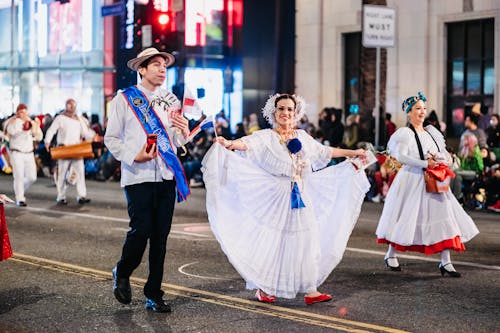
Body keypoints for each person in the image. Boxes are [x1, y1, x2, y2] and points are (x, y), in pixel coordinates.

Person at [202, 93, 370, 305]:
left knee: (307, 239)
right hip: (276, 195)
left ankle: (310, 289)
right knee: (274, 241)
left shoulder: (302, 136)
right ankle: (264, 287)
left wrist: (352, 152)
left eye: (290, 109)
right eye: (281, 109)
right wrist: (229, 143)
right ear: (274, 112)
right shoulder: (266, 136)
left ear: (295, 112)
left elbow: (326, 151)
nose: (286, 113)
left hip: (300, 193)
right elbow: (246, 143)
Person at [104, 47, 190, 313]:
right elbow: (111, 139)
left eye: (164, 65)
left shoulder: (172, 100)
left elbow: (176, 141)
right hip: (138, 176)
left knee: (160, 237)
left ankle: (154, 293)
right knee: (141, 231)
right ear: (141, 69)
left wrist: (184, 131)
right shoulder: (124, 99)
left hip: (165, 176)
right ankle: (123, 270)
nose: (162, 68)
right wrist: (134, 155)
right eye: (155, 64)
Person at [376, 92, 479, 277]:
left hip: (434, 180)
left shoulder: (432, 133)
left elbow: (443, 153)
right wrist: (425, 163)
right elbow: (400, 156)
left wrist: (444, 160)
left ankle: (445, 262)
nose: (422, 112)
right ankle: (391, 254)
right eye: (417, 109)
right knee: (405, 217)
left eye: (424, 108)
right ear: (409, 112)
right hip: (412, 180)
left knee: (444, 215)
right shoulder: (405, 133)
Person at [44, 99, 96, 205]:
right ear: (66, 106)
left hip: (77, 149)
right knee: (62, 174)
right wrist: (47, 141)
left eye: (73, 105)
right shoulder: (60, 118)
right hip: (64, 149)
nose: (72, 107)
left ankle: (81, 196)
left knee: (80, 173)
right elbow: (51, 130)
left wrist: (94, 136)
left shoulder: (79, 119)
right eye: (70, 105)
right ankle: (61, 196)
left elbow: (85, 133)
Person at [4, 104, 43, 206]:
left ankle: (19, 189)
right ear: (18, 112)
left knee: (32, 177)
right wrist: (23, 127)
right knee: (19, 176)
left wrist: (35, 127)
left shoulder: (32, 122)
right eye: (21, 112)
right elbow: (11, 132)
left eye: (25, 112)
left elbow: (39, 137)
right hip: (17, 153)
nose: (24, 114)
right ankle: (20, 198)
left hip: (29, 153)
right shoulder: (13, 122)